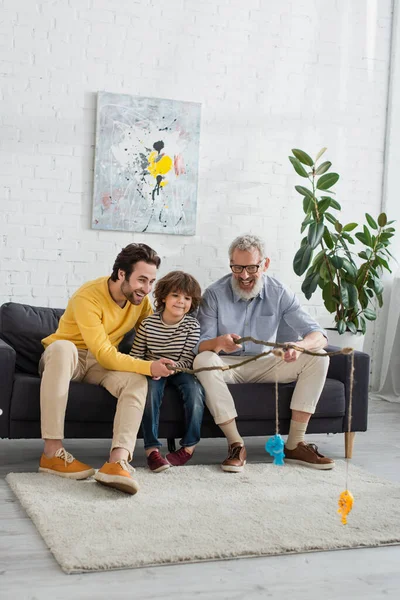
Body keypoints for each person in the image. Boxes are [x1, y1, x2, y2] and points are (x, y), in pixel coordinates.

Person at [38, 243, 175, 495]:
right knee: (62, 347)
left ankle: (117, 462)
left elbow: (153, 338)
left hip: (99, 366)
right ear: (121, 274)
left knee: (136, 380)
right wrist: (147, 365)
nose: (146, 289)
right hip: (69, 358)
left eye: (151, 282)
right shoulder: (88, 296)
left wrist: (165, 358)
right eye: (141, 280)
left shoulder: (140, 302)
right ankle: (51, 453)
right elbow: (104, 352)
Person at [193, 234, 335, 473]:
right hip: (227, 365)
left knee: (319, 356)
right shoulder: (214, 293)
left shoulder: (279, 292)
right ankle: (236, 444)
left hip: (265, 363)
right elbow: (199, 345)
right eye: (237, 267)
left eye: (251, 267)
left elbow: (318, 334)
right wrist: (219, 342)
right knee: (203, 360)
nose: (244, 275)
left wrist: (300, 347)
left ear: (265, 264)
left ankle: (295, 443)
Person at [130, 271, 205, 472]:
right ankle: (152, 451)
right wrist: (151, 368)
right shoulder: (148, 324)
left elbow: (189, 358)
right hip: (153, 369)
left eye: (187, 298)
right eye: (176, 295)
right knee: (151, 393)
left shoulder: (192, 325)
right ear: (163, 297)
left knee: (195, 392)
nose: (181, 301)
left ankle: (189, 447)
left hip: (180, 370)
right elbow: (136, 355)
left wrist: (172, 369)